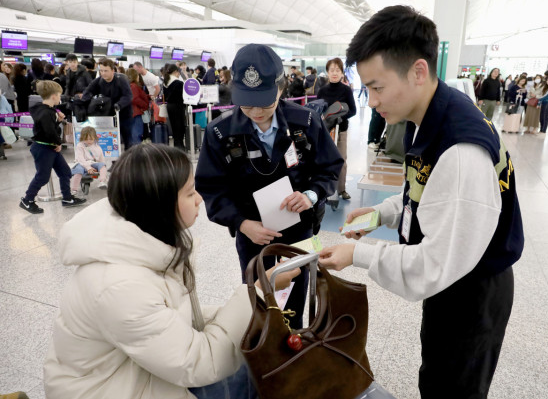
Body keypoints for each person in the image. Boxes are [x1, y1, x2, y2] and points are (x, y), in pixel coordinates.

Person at [318, 5, 523, 399]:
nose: (372, 101)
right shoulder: (429, 115)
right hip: (454, 277)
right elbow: (427, 190)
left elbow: (434, 264)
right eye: (367, 89)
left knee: (452, 388)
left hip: (471, 291)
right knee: (436, 377)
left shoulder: (461, 151)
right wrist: (384, 211)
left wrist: (358, 254)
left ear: (418, 71)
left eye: (377, 87)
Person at [44, 143, 298, 399]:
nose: (199, 199)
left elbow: (168, 317)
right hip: (111, 387)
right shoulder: (120, 286)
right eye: (189, 193)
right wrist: (256, 293)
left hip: (136, 366)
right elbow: (199, 364)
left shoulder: (147, 239)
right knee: (259, 373)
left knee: (256, 359)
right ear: (160, 203)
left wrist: (241, 311)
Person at [195, 44, 343, 330]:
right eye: (246, 103)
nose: (255, 112)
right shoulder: (219, 133)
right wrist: (241, 223)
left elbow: (330, 168)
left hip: (298, 225)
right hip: (252, 231)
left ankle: (294, 342)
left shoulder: (306, 122)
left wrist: (311, 195)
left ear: (280, 88)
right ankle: (263, 347)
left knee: (295, 295)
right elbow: (211, 188)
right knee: (258, 295)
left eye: (264, 102)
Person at [19, 81, 86, 214]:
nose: (60, 98)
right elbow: (50, 132)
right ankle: (27, 200)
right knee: (43, 176)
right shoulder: (46, 113)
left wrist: (58, 121)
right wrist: (58, 143)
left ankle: (67, 198)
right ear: (54, 96)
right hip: (44, 148)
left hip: (49, 147)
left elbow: (50, 128)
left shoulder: (44, 110)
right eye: (59, 95)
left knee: (65, 172)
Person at [317, 57, 357, 200]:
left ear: (342, 73)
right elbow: (318, 110)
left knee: (341, 159)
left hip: (341, 130)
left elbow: (353, 110)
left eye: (337, 70)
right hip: (326, 131)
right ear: (327, 72)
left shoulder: (346, 90)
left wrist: (340, 119)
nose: (334, 73)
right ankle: (324, 190)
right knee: (325, 160)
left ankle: (341, 190)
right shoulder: (322, 91)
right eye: (331, 70)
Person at [81, 58, 134, 149]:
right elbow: (88, 91)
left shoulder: (121, 80)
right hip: (108, 114)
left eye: (106, 71)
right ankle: (114, 160)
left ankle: (129, 159)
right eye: (101, 70)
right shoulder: (99, 81)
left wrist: (119, 104)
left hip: (124, 114)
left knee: (128, 139)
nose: (103, 73)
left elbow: (128, 96)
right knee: (111, 139)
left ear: (112, 70)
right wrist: (85, 101)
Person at [70, 126, 108, 193]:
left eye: (90, 139)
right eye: (86, 139)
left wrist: (100, 167)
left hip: (93, 163)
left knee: (102, 165)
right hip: (81, 163)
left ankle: (102, 181)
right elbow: (81, 159)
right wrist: (88, 168)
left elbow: (101, 158)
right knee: (78, 170)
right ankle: (74, 189)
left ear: (94, 138)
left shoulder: (97, 146)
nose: (88, 141)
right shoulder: (80, 146)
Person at [163, 64, 187, 150]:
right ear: (176, 72)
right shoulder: (178, 83)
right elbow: (183, 96)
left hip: (169, 106)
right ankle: (180, 146)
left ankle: (176, 146)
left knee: (174, 127)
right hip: (178, 106)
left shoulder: (165, 82)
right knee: (180, 127)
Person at [124, 68, 150, 146]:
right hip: (136, 113)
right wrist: (144, 105)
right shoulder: (134, 86)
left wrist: (147, 97)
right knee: (137, 134)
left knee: (133, 135)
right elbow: (135, 98)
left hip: (130, 113)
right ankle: (137, 154)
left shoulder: (127, 85)